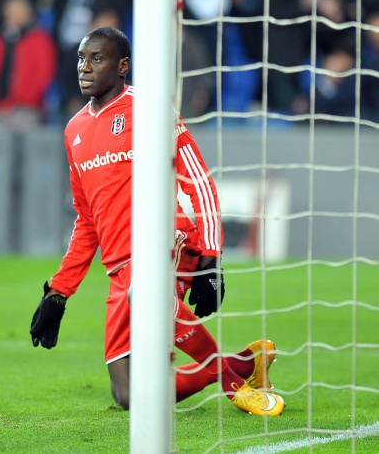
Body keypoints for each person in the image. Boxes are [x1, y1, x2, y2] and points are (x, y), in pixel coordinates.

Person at [29, 26, 285, 416]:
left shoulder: (149, 110)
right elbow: (87, 220)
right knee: (129, 395)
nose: (85, 67)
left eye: (96, 59)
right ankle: (245, 365)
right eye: (81, 59)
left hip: (165, 245)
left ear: (122, 66)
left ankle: (233, 386)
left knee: (150, 294)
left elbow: (198, 181)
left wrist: (212, 256)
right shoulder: (74, 130)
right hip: (121, 266)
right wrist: (59, 292)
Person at [0, 0, 56, 129]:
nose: (13, 13)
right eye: (10, 9)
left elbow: (44, 75)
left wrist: (27, 100)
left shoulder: (40, 39)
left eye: (18, 9)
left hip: (27, 110)